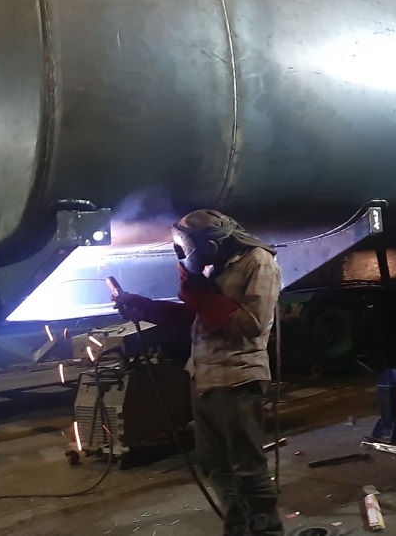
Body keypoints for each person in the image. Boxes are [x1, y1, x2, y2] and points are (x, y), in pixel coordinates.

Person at [114, 209, 284, 536]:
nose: (182, 255)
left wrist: (201, 294)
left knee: (247, 470)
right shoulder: (217, 265)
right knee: (215, 465)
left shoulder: (258, 262)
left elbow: (251, 324)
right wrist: (145, 307)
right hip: (204, 378)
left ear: (211, 245)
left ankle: (268, 531)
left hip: (236, 380)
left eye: (186, 249)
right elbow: (199, 316)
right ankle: (238, 529)